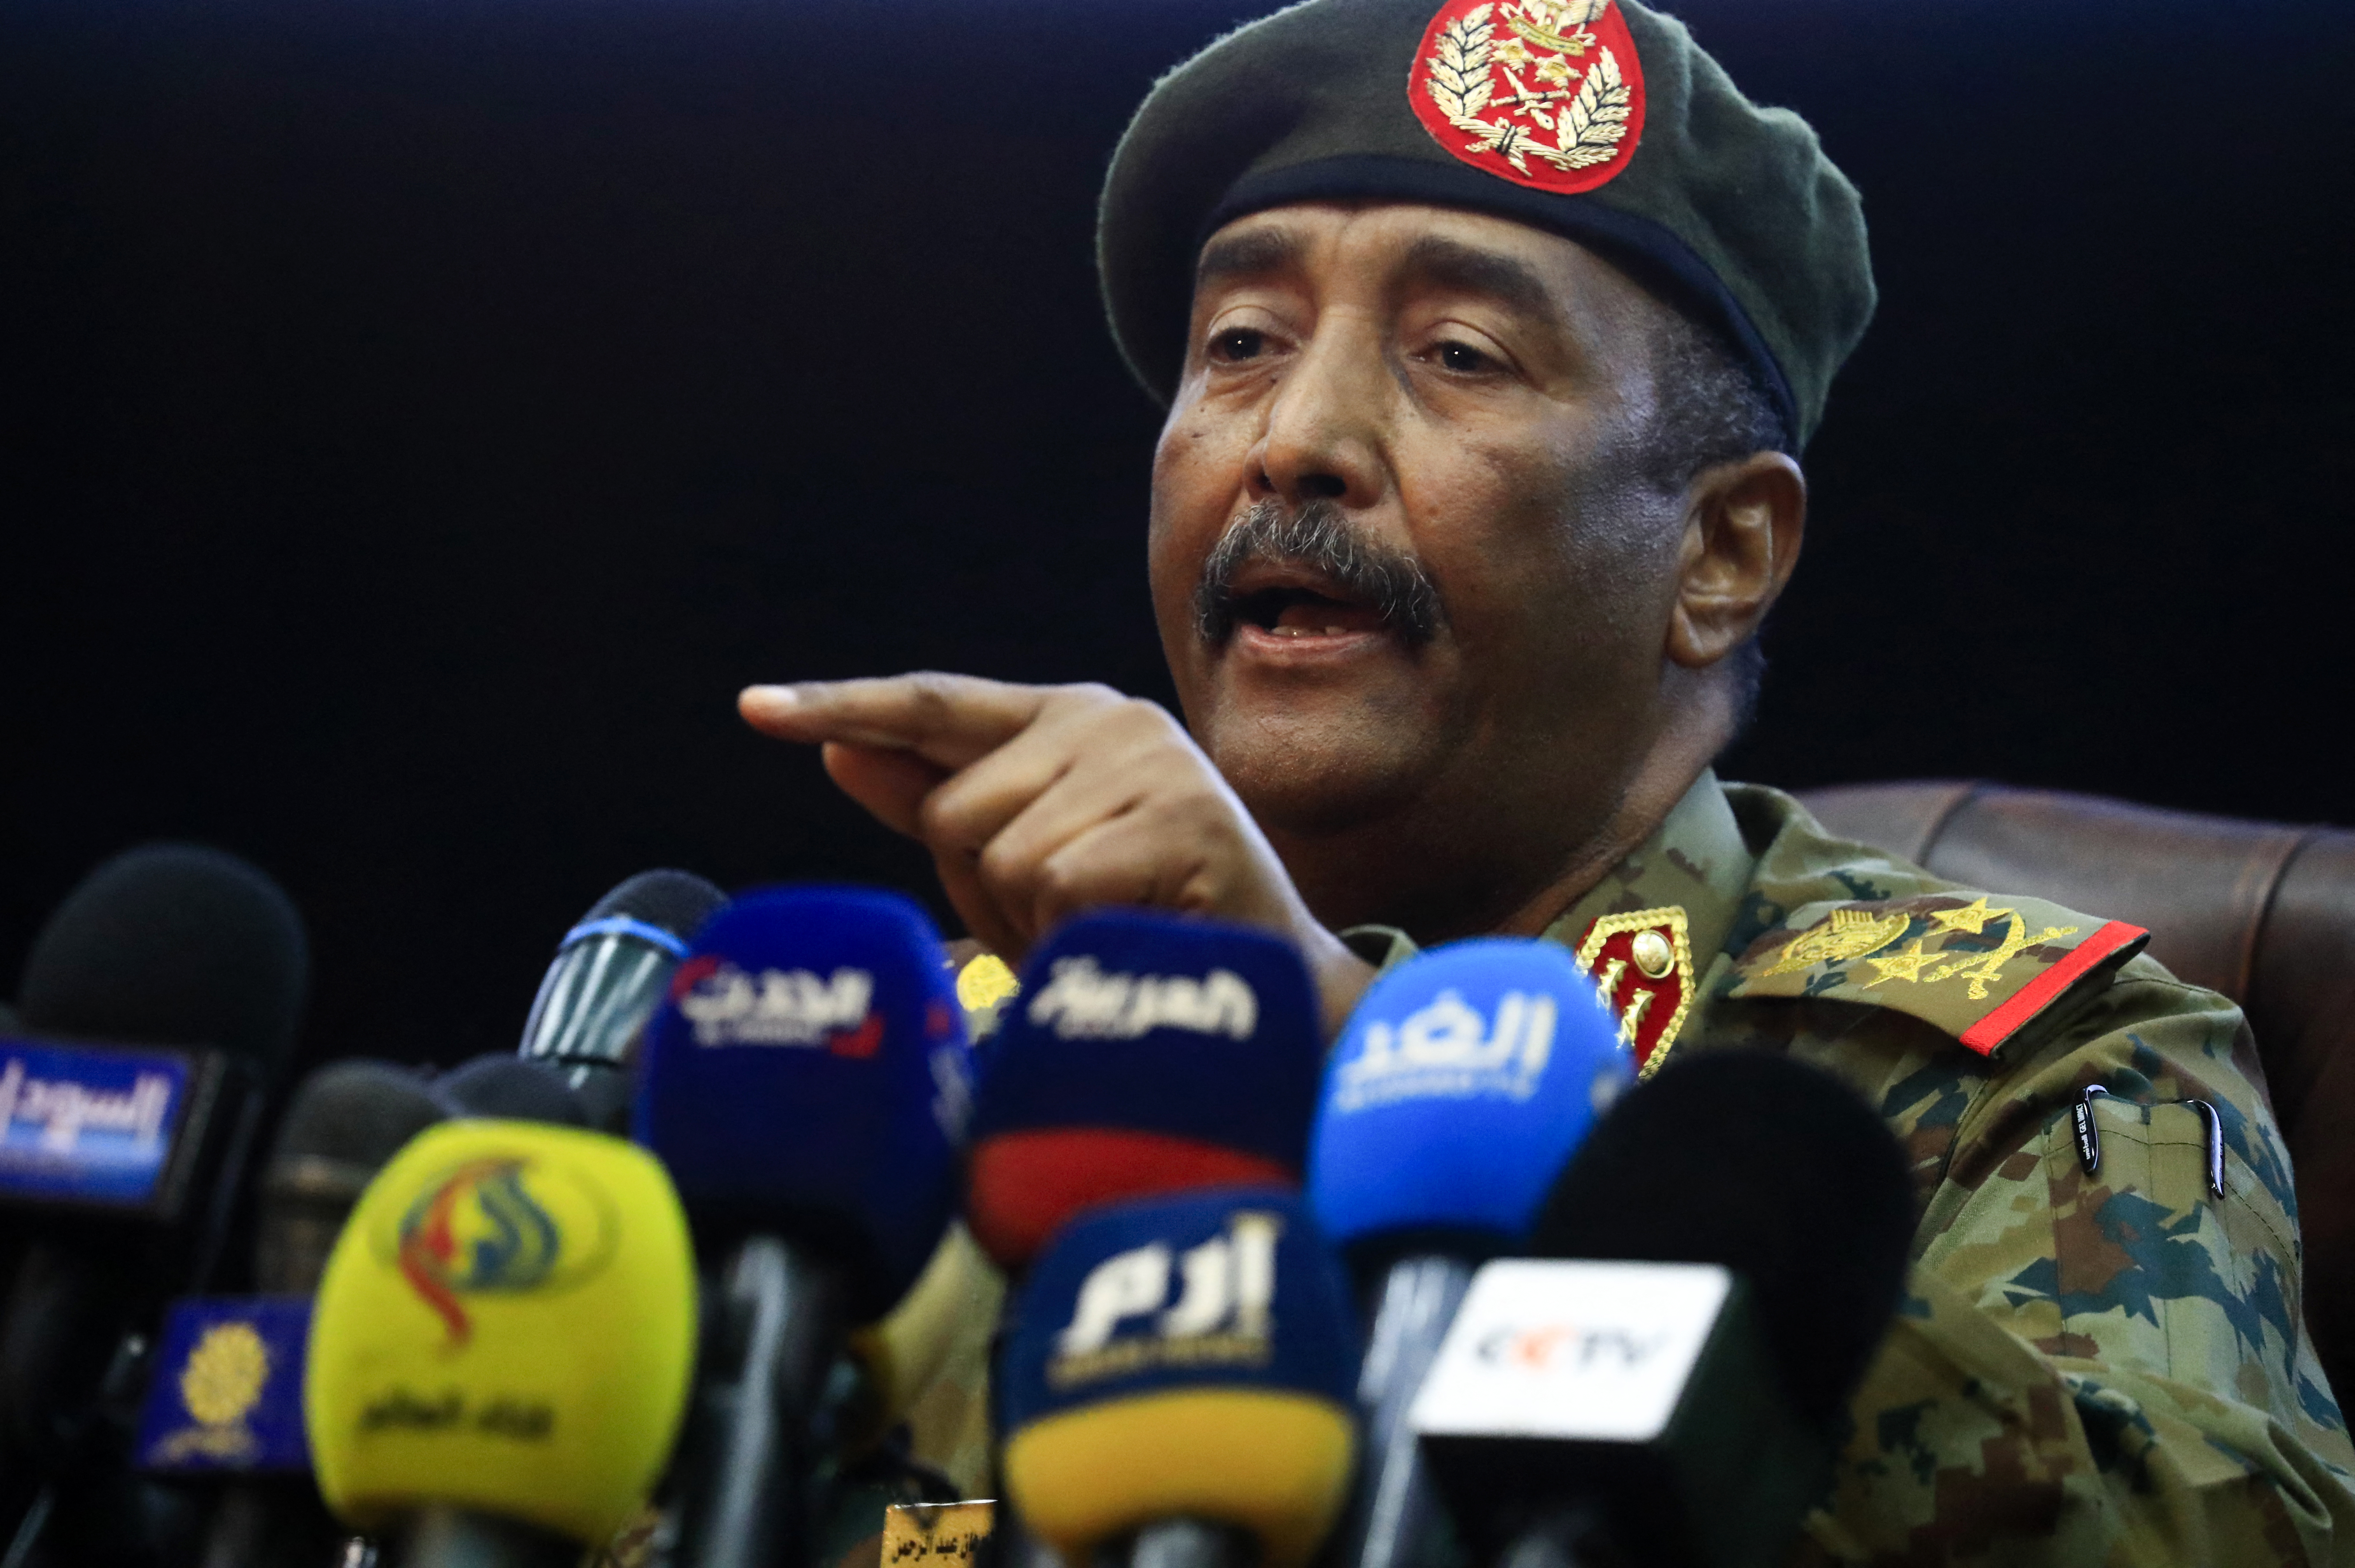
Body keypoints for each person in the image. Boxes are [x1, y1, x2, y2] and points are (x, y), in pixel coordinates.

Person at [739, 0, 2355, 1557]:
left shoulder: (2056, 1064)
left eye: (1458, 354)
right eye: (1240, 343)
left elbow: (2207, 1535)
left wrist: (1341, 1047)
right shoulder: (924, 1087)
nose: (1293, 437)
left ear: (1722, 553)